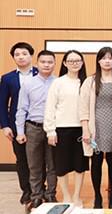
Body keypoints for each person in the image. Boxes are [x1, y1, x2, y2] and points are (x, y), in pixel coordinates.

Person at [44, 50, 88, 206]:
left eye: (78, 60)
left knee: (80, 165)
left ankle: (76, 196)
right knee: (61, 165)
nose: (75, 63)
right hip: (61, 129)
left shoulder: (86, 82)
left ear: (82, 63)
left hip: (82, 129)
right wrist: (50, 131)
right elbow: (50, 107)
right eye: (71, 61)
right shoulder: (58, 82)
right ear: (64, 63)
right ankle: (66, 196)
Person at [15, 50, 57, 210]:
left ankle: (51, 194)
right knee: (34, 165)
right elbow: (21, 109)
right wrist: (20, 131)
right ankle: (37, 196)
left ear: (54, 63)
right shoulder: (28, 84)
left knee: (52, 164)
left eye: (50, 62)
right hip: (33, 128)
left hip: (53, 129)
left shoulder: (57, 82)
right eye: (43, 62)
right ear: (37, 63)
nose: (46, 65)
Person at [79, 47, 112, 208]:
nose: (107, 61)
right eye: (104, 58)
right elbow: (82, 107)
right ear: (98, 61)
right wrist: (85, 129)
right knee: (96, 162)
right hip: (95, 127)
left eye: (110, 58)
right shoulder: (90, 81)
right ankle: (97, 196)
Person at [0, 42, 38, 205]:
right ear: (14, 58)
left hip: (38, 123)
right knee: (22, 159)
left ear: (31, 55)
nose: (21, 56)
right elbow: (2, 103)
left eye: (24, 53)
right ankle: (27, 191)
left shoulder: (40, 73)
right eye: (17, 54)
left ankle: (39, 189)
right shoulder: (8, 78)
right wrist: (5, 126)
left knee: (39, 159)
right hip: (17, 125)